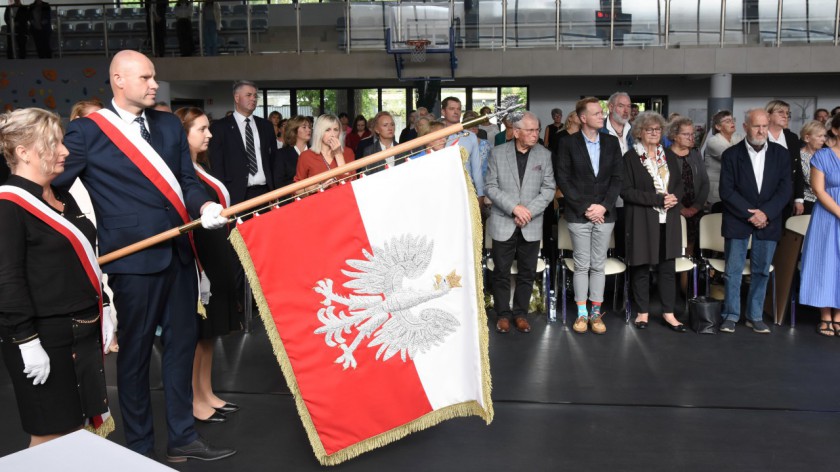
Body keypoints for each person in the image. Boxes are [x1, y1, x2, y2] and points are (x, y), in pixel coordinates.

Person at [53, 50, 233, 461]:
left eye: (154, 77)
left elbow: (186, 180)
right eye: (146, 77)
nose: (155, 84)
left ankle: (183, 438)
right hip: (132, 261)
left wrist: (203, 207)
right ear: (118, 79)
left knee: (181, 348)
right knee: (133, 359)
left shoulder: (169, 125)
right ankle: (138, 448)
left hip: (179, 255)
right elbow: (55, 185)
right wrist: (81, 232)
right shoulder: (87, 132)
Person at [0, 108, 114, 448]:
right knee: (49, 436)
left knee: (75, 432)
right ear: (23, 152)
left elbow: (83, 259)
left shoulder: (61, 195)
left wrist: (105, 305)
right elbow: (7, 279)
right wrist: (26, 341)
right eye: (54, 144)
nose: (65, 152)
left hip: (81, 330)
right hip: (43, 336)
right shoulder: (9, 204)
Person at [174, 107, 241, 423]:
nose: (209, 134)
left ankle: (206, 391)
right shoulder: (179, 172)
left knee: (210, 332)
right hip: (201, 260)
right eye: (202, 129)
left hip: (217, 255)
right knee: (199, 334)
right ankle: (194, 399)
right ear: (183, 133)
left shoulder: (200, 168)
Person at [718, 109, 792, 334]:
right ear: (745, 127)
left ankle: (755, 316)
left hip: (768, 220)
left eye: (764, 126)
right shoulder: (731, 155)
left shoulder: (781, 154)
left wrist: (765, 214)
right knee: (733, 270)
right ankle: (730, 315)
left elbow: (785, 189)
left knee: (761, 271)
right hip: (739, 219)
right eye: (756, 126)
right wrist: (751, 214)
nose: (761, 131)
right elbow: (726, 191)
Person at [555, 97, 624, 335]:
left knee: (598, 265)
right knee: (582, 265)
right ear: (583, 118)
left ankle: (596, 313)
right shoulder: (567, 143)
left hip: (605, 214)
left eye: (601, 113)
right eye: (596, 113)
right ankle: (582, 314)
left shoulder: (611, 143)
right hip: (578, 214)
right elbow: (563, 179)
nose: (601, 116)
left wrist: (603, 207)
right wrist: (586, 208)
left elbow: (617, 179)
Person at [485, 111, 555, 334]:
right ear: (516, 132)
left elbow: (549, 189)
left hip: (531, 223)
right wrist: (514, 208)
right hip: (503, 220)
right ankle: (503, 315)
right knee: (501, 272)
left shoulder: (544, 155)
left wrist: (527, 212)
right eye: (530, 130)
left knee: (527, 272)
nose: (536, 134)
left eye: (537, 129)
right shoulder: (497, 153)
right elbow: (491, 187)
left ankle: (521, 314)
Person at [621, 111, 686, 332]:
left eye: (658, 129)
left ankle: (669, 313)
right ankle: (643, 313)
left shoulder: (667, 154)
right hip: (642, 219)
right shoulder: (630, 158)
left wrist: (674, 196)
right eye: (649, 130)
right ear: (639, 132)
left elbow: (679, 183)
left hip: (668, 218)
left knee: (667, 267)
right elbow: (626, 191)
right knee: (640, 266)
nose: (654, 133)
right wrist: (658, 199)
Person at [799, 113, 840, 336]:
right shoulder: (823, 156)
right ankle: (825, 315)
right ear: (835, 130)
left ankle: (839, 315)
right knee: (826, 262)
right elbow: (818, 190)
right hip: (827, 215)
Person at [208, 80, 277, 206]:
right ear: (237, 97)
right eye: (249, 95)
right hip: (235, 194)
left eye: (255, 96)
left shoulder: (266, 126)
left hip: (265, 192)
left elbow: (273, 159)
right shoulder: (220, 127)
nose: (253, 99)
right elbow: (217, 164)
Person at [666, 117, 709, 256]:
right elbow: (662, 187)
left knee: (691, 250)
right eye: (686, 134)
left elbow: (704, 182)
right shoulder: (665, 155)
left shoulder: (695, 154)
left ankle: (688, 277)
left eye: (692, 134)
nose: (691, 138)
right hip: (672, 210)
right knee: (673, 248)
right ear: (674, 135)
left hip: (695, 210)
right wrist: (680, 208)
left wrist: (696, 206)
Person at [602, 92, 633, 258]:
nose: (626, 110)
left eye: (628, 106)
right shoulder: (599, 131)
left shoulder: (635, 132)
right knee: (604, 248)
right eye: (621, 106)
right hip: (605, 198)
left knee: (626, 246)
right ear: (611, 107)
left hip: (629, 199)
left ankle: (623, 283)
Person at [442, 96, 485, 208]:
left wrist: (480, 194)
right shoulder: (436, 136)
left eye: (458, 109)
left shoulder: (470, 136)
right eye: (452, 109)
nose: (456, 112)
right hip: (442, 189)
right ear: (443, 111)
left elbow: (476, 168)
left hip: (466, 189)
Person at [295, 114, 355, 193]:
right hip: (318, 202)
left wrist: (338, 154)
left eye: (336, 129)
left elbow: (351, 183)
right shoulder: (306, 156)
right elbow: (296, 191)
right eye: (327, 130)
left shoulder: (348, 152)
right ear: (319, 132)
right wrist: (311, 189)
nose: (333, 134)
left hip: (343, 200)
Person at [765, 100, 805, 217]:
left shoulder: (792, 137)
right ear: (768, 115)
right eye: (780, 112)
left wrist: (798, 198)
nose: (785, 116)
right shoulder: (760, 135)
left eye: (788, 113)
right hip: (765, 196)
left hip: (787, 196)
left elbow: (797, 169)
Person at [704, 110, 742, 212]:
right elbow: (731, 158)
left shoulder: (737, 137)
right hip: (717, 188)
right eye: (727, 121)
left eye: (732, 120)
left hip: (733, 187)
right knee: (716, 219)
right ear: (718, 127)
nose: (732, 123)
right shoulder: (713, 141)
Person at [272, 115, 310, 192]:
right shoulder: (281, 154)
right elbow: (279, 184)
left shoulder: (315, 152)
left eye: (309, 127)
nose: (309, 130)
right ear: (294, 130)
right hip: (292, 200)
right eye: (304, 127)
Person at [799, 120, 827, 214]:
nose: (823, 139)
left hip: (829, 200)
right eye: (819, 136)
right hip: (808, 202)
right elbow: (810, 180)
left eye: (824, 136)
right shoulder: (800, 156)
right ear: (807, 138)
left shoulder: (826, 154)